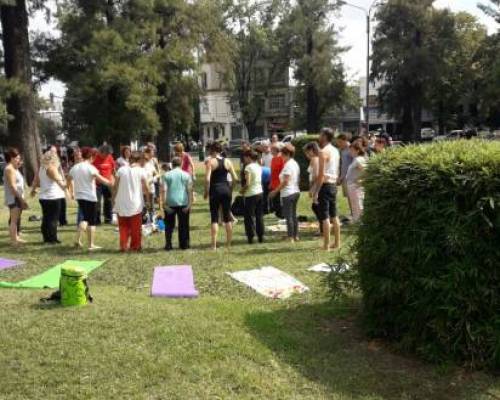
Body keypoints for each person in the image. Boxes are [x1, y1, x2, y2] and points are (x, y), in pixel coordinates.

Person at [68, 147, 112, 250]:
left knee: (85, 219)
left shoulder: (75, 168)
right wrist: (112, 184)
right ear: (91, 156)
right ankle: (91, 245)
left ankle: (77, 240)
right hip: (90, 197)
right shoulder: (90, 167)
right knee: (91, 222)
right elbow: (101, 180)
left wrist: (71, 191)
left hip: (79, 196)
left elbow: (68, 180)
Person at [204, 142, 238, 250]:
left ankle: (213, 245)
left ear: (212, 150)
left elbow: (207, 179)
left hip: (215, 190)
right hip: (226, 189)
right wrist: (231, 189)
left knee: (214, 218)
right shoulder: (228, 161)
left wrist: (206, 191)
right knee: (227, 217)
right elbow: (235, 178)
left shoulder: (210, 162)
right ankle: (228, 244)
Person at [113, 151, 149, 252]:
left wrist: (113, 199)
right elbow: (146, 187)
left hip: (121, 202)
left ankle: (123, 246)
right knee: (135, 227)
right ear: (140, 160)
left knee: (123, 226)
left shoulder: (121, 170)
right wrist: (148, 200)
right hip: (135, 204)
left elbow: (115, 186)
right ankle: (135, 246)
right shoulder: (141, 171)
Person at [32, 151, 68, 244]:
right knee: (53, 219)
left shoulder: (42, 168)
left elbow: (36, 181)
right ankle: (52, 238)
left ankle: (47, 238)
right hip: (53, 197)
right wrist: (68, 182)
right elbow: (61, 184)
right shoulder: (52, 168)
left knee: (46, 218)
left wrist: (33, 190)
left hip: (44, 197)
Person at [316, 127, 341, 251]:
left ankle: (326, 245)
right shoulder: (336, 150)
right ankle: (337, 243)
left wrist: (316, 191)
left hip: (325, 186)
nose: (319, 136)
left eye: (321, 134)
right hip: (333, 185)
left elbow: (321, 174)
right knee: (334, 215)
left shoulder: (322, 152)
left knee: (325, 216)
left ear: (325, 136)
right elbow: (336, 170)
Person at [161, 157, 194, 251]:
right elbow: (190, 190)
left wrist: (164, 204)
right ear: (181, 164)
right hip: (183, 202)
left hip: (170, 202)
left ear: (172, 164)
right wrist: (189, 204)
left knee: (169, 225)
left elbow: (164, 190)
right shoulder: (186, 175)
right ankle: (184, 244)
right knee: (184, 225)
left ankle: (168, 244)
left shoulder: (166, 175)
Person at [270, 144, 300, 242]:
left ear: (286, 154)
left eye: (282, 154)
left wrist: (275, 191)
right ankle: (295, 235)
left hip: (288, 193)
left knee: (288, 216)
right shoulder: (295, 163)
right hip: (295, 191)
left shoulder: (288, 165)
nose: (281, 156)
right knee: (293, 215)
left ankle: (290, 237)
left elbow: (285, 181)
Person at [3, 148, 28, 246]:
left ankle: (16, 238)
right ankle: (14, 241)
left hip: (17, 197)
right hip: (14, 198)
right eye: (17, 158)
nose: (19, 160)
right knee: (13, 220)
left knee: (16, 219)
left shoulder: (13, 168)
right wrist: (21, 200)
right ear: (11, 158)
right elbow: (13, 187)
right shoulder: (9, 169)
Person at [241, 150, 264, 244]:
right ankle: (260, 236)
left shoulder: (248, 167)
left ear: (248, 157)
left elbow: (248, 183)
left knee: (249, 217)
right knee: (259, 216)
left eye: (245, 157)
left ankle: (250, 237)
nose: (244, 159)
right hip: (260, 192)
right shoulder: (259, 166)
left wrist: (242, 191)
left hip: (251, 194)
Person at [93, 144, 115, 224]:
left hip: (107, 183)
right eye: (106, 154)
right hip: (97, 184)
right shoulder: (94, 158)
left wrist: (113, 179)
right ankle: (97, 219)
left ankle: (108, 219)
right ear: (101, 152)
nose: (107, 156)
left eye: (108, 155)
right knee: (97, 202)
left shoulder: (110, 158)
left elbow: (113, 169)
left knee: (108, 201)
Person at [346, 142, 367, 222]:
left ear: (357, 150)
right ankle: (356, 219)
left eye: (352, 150)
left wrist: (361, 180)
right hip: (352, 185)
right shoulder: (355, 159)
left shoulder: (359, 159)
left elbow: (366, 171)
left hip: (356, 186)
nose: (350, 152)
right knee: (354, 203)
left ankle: (361, 220)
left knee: (358, 203)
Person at [304, 141, 322, 235]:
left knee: (316, 206)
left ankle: (322, 227)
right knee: (316, 206)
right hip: (317, 184)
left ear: (311, 150)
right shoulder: (318, 158)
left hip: (316, 185)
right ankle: (322, 226)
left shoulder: (314, 159)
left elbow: (315, 175)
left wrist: (311, 188)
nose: (307, 155)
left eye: (307, 152)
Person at [336, 134, 353, 219]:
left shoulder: (351, 149)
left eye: (340, 142)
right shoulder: (342, 150)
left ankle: (354, 214)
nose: (339, 144)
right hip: (344, 177)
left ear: (345, 140)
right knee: (349, 196)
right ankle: (352, 212)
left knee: (352, 196)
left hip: (350, 177)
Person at [143, 147, 160, 223]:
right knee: (144, 206)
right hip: (142, 190)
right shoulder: (140, 166)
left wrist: (153, 179)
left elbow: (157, 174)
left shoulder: (151, 165)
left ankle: (152, 222)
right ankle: (143, 221)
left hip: (151, 189)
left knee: (152, 206)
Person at [269, 144, 285, 218]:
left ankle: (281, 214)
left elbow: (283, 171)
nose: (270, 151)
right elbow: (272, 172)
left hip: (279, 182)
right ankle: (278, 213)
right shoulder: (273, 159)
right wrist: (271, 182)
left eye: (272, 149)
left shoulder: (281, 158)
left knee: (279, 199)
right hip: (273, 182)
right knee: (274, 200)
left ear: (275, 150)